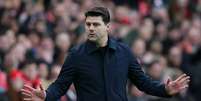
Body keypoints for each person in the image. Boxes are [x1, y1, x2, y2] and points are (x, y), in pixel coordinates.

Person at [20, 7, 190, 101]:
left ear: (107, 27)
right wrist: (46, 95)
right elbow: (60, 86)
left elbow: (143, 83)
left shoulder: (124, 52)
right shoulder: (76, 55)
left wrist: (165, 90)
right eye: (88, 24)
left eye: (96, 24)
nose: (91, 28)